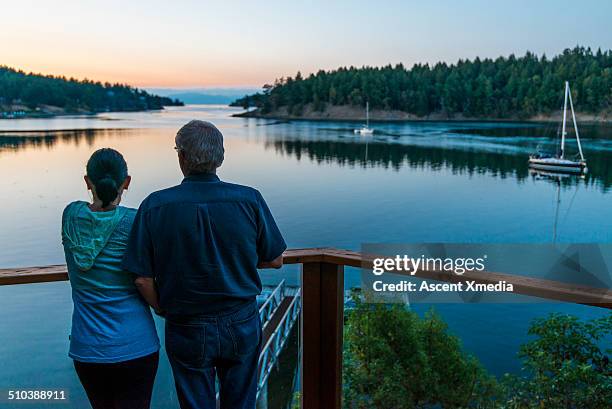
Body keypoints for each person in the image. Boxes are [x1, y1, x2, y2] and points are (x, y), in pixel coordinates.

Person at [122, 120, 286, 409]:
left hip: (185, 323)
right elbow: (274, 259)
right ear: (220, 157)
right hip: (241, 320)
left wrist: (161, 307)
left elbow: (141, 278)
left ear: (182, 157)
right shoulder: (249, 200)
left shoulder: (155, 205)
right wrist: (237, 259)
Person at [61, 148, 160, 409]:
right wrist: (162, 308)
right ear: (126, 182)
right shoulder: (136, 220)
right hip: (136, 345)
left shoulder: (70, 216)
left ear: (87, 182)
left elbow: (93, 215)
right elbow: (142, 279)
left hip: (87, 348)